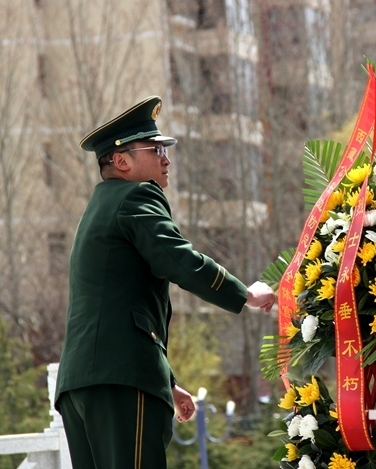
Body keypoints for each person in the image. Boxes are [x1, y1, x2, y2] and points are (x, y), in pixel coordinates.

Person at [54, 95, 275, 469]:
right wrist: (245, 294)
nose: (166, 159)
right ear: (121, 161)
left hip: (82, 383)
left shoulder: (99, 208)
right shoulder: (136, 195)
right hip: (122, 380)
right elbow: (179, 261)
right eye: (155, 150)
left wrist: (166, 381)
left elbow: (116, 304)